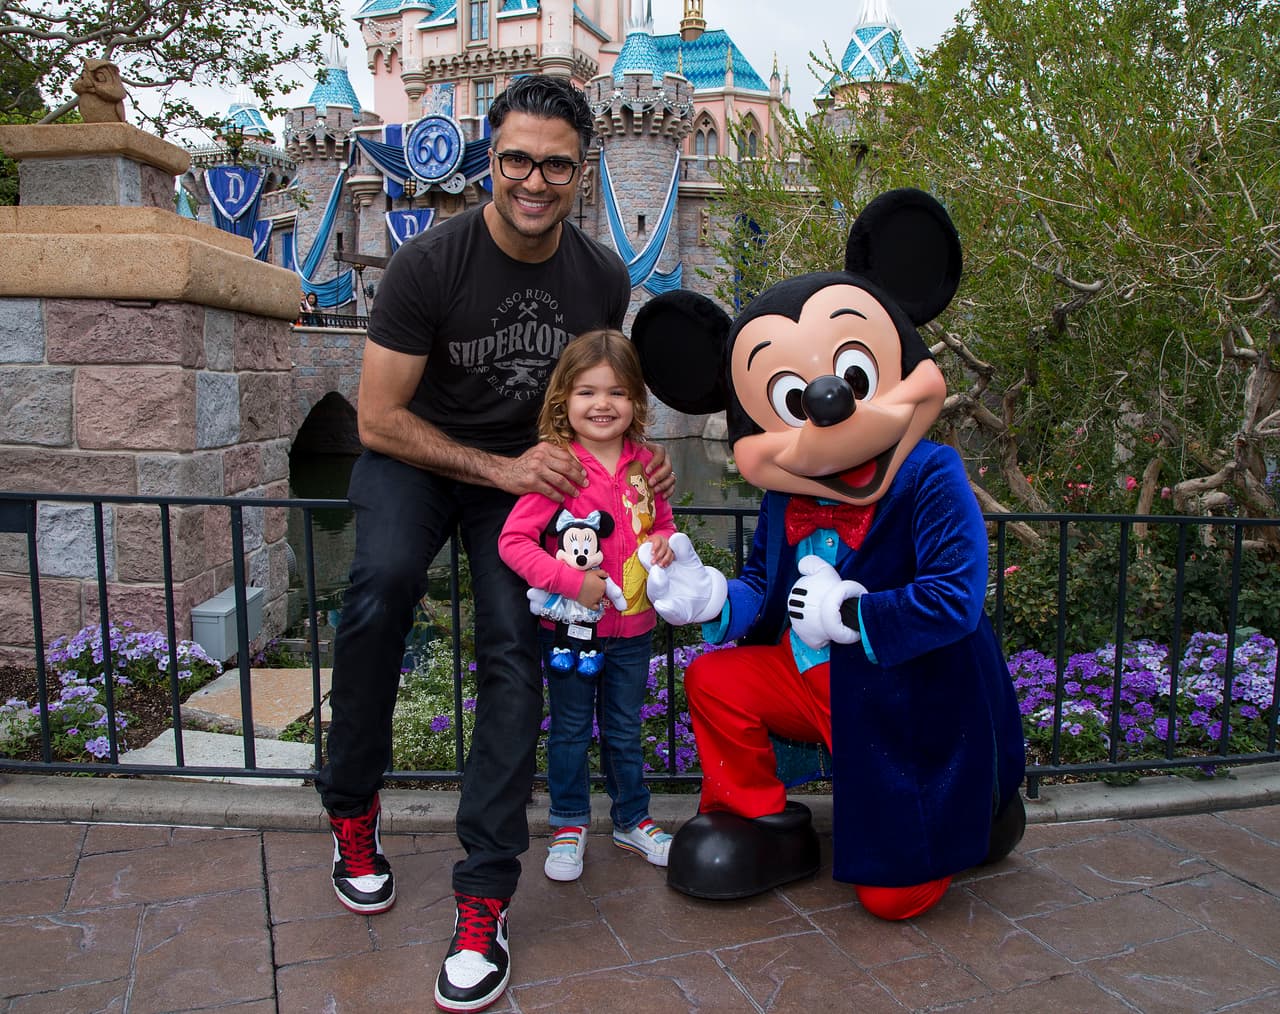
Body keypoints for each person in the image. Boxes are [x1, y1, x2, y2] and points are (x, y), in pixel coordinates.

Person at [312, 74, 672, 1014]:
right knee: (381, 585)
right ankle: (352, 809)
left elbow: (600, 398)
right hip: (421, 458)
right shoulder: (429, 266)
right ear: (490, 161)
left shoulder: (600, 275)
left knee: (520, 644)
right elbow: (378, 418)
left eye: (556, 163)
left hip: (526, 481)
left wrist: (639, 469)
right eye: (517, 159)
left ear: (581, 170)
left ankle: (483, 901)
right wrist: (500, 469)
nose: (535, 180)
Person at [497, 330, 677, 886]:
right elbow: (514, 543)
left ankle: (631, 818)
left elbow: (661, 523)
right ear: (564, 403)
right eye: (588, 393)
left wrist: (668, 543)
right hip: (572, 632)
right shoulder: (557, 469)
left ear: (637, 404)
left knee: (624, 728)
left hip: (635, 627)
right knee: (572, 729)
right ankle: (569, 823)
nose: (603, 405)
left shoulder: (646, 465)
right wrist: (571, 583)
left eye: (618, 393)